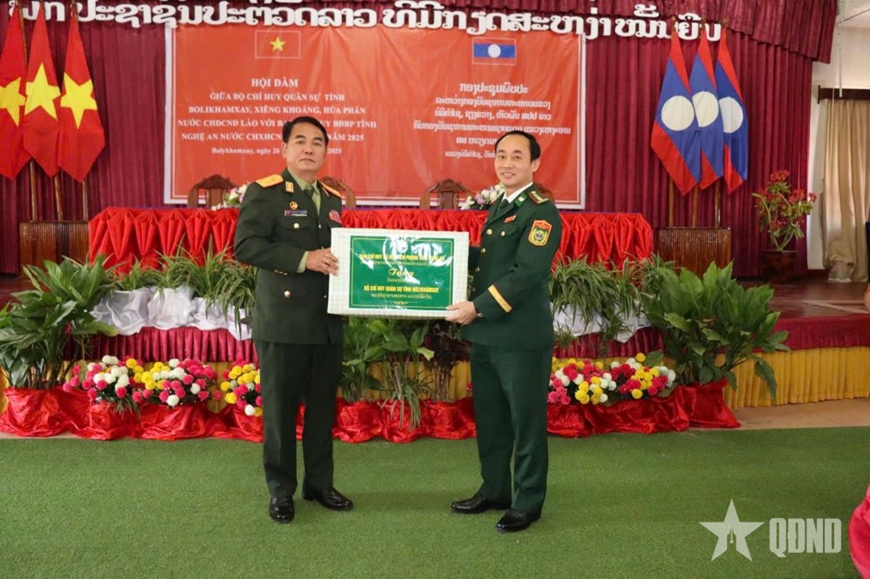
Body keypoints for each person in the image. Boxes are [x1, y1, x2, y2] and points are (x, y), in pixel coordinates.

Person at [234, 116, 353, 524]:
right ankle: (281, 491)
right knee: (281, 414)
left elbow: (339, 255)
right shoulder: (265, 193)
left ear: (325, 151)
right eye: (300, 141)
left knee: (321, 412)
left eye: (317, 142)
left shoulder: (333, 198)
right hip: (283, 322)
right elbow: (246, 246)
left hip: (326, 321)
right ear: (284, 148)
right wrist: (304, 259)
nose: (308, 149)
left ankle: (319, 484)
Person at [446, 130, 562, 533]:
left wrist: (476, 307)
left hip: (520, 338)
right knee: (492, 420)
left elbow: (526, 273)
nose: (507, 163)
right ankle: (494, 489)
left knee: (525, 423)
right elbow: (491, 261)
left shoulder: (541, 212)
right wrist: (446, 255)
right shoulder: (501, 205)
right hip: (487, 334)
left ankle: (527, 501)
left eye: (517, 156)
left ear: (535, 164)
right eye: (501, 155)